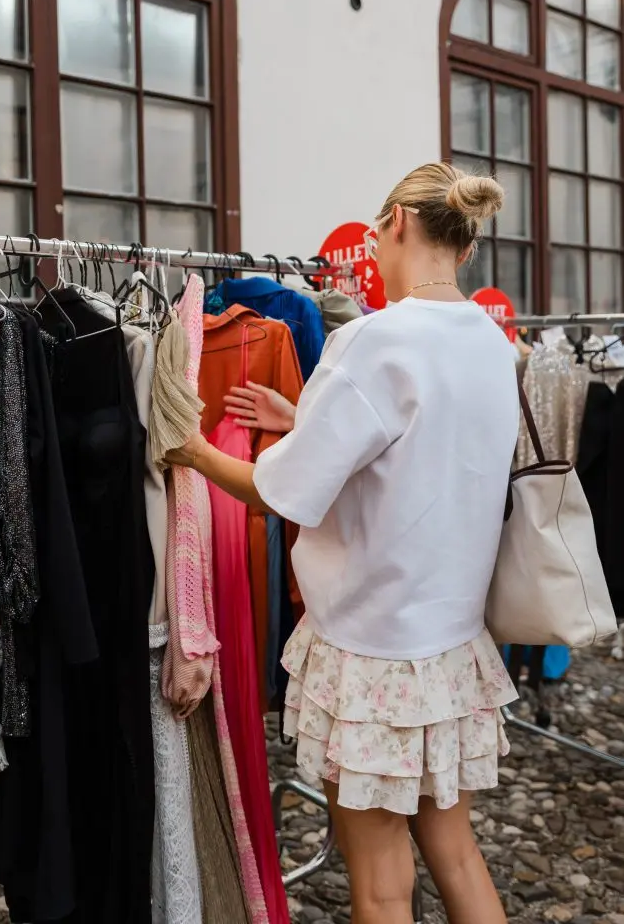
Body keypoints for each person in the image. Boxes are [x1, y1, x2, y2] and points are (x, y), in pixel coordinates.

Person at [166, 162, 520, 924]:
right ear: (464, 248)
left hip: (372, 653)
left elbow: (280, 492)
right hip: (449, 647)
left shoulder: (371, 341)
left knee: (382, 883)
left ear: (396, 223)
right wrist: (303, 419)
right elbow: (424, 454)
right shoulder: (492, 345)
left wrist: (189, 450)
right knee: (457, 854)